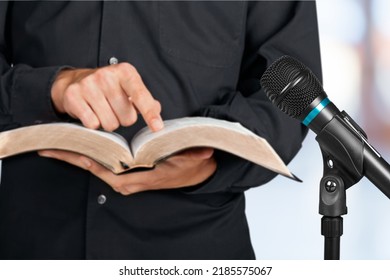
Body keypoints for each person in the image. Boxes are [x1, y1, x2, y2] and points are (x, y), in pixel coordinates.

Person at [0, 1, 322, 259]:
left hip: (197, 250)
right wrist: (53, 88)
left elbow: (294, 91)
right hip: (34, 248)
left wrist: (211, 165)